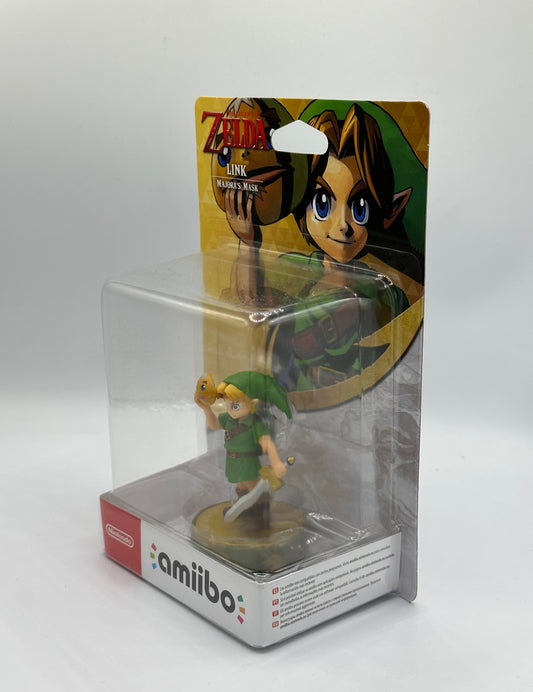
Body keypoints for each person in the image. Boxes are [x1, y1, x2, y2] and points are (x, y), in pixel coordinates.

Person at [194, 371, 291, 526]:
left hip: (248, 462)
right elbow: (214, 425)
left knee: (254, 490)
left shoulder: (254, 423)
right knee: (240, 487)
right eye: (227, 405)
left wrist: (276, 462)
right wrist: (206, 409)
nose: (230, 409)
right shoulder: (229, 419)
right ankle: (246, 511)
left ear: (252, 402)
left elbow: (267, 443)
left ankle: (260, 517)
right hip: (233, 462)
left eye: (235, 405)